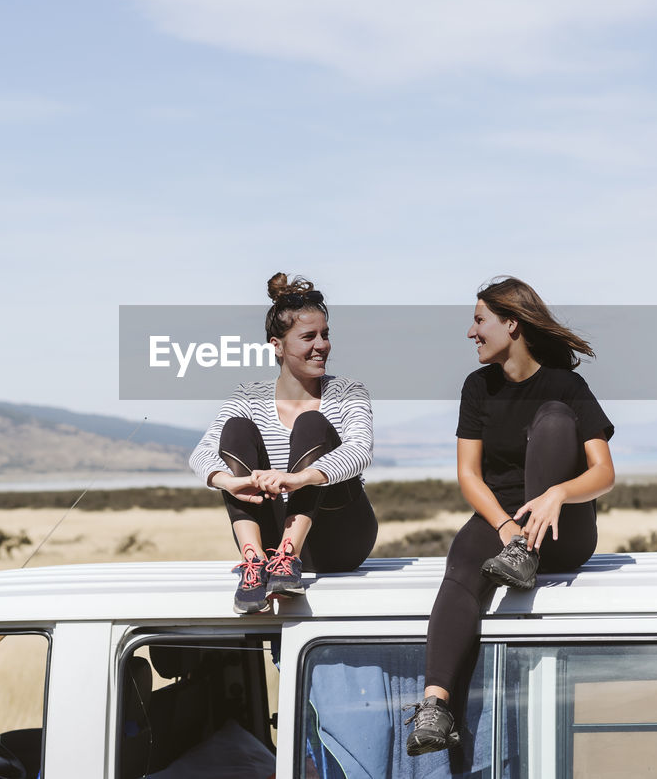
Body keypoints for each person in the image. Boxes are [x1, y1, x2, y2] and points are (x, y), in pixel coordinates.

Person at [404, 276, 616, 756]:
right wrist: (504, 525)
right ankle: (436, 706)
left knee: (555, 417)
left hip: (564, 528)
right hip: (506, 527)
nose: (470, 332)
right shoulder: (477, 388)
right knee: (460, 563)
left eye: (479, 321)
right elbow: (469, 476)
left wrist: (557, 493)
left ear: (511, 324)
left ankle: (527, 552)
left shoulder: (567, 384)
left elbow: (604, 473)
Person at [190, 273, 378, 615]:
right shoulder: (248, 396)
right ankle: (255, 564)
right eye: (308, 336)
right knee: (235, 429)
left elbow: (360, 448)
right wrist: (231, 482)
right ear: (277, 344)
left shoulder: (348, 391)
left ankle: (288, 557)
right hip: (273, 533)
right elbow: (202, 453)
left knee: (311, 424)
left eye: (325, 335)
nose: (321, 345)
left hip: (339, 537)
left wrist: (302, 478)